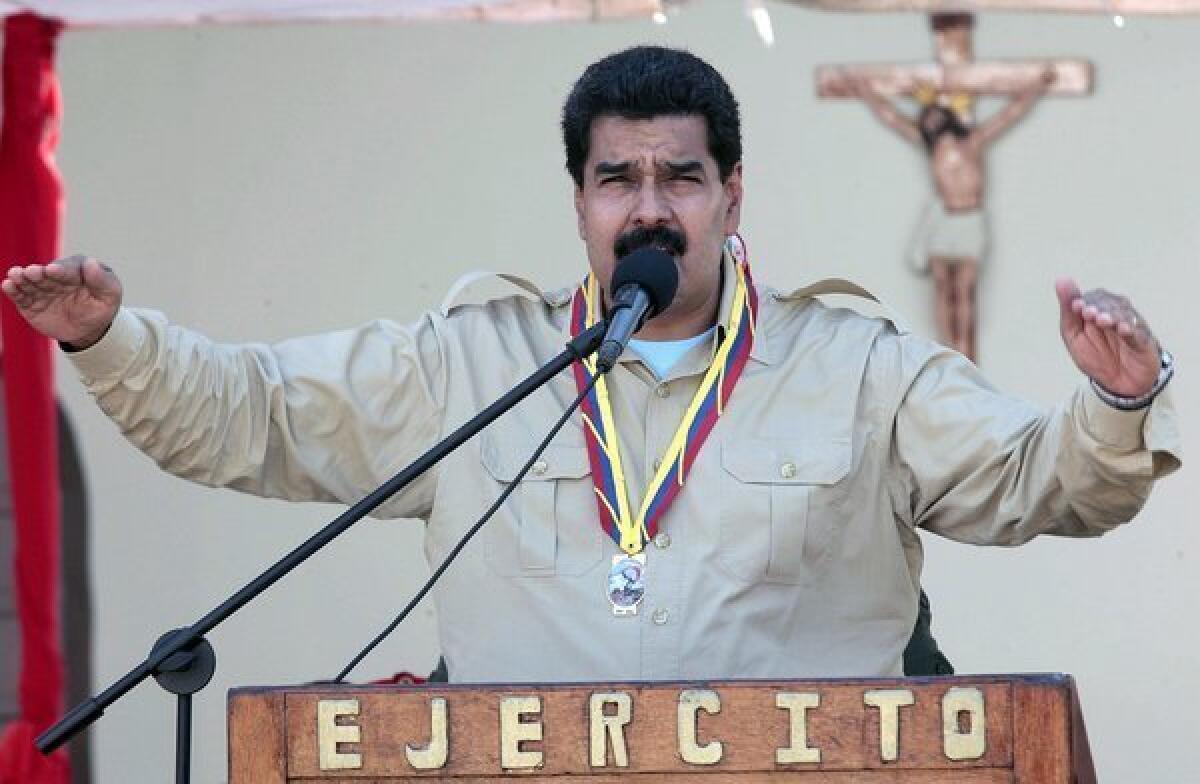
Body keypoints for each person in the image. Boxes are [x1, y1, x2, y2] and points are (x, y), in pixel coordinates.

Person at [1, 46, 1180, 683]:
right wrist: (111, 338)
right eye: (620, 179)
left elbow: (1042, 481)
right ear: (580, 204)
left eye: (681, 177)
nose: (650, 205)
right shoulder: (476, 365)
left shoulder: (855, 368)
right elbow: (251, 415)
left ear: (731, 196)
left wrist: (1115, 400)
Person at [844, 42, 1057, 361]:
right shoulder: (927, 146)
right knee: (943, 285)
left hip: (969, 219)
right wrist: (864, 90)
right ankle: (947, 345)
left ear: (946, 117)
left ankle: (965, 347)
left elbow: (1010, 113)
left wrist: (1036, 86)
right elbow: (891, 116)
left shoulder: (972, 140)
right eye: (925, 118)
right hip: (944, 221)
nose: (928, 122)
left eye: (934, 115)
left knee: (965, 288)